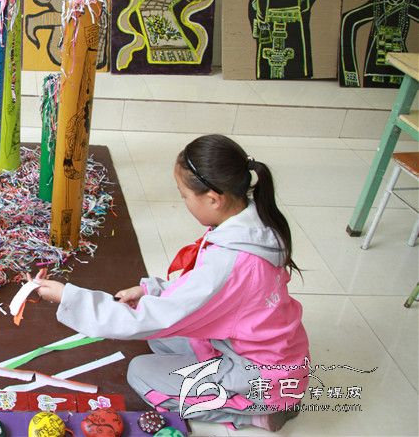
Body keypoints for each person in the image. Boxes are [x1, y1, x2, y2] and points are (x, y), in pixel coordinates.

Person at [33, 134, 308, 431]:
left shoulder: (229, 263)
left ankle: (255, 413)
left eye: (184, 196)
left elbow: (149, 318)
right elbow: (203, 293)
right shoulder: (251, 225)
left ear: (213, 199)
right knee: (158, 338)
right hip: (260, 350)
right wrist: (150, 290)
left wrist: (68, 297)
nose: (184, 202)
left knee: (142, 373)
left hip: (261, 378)